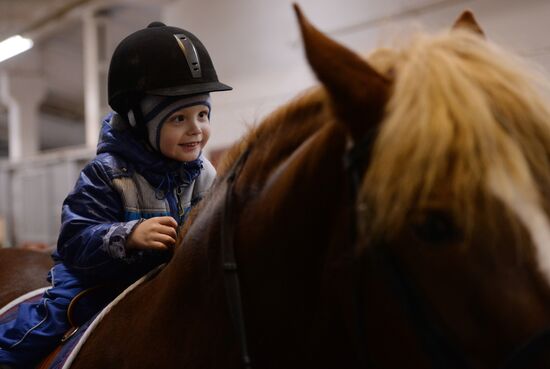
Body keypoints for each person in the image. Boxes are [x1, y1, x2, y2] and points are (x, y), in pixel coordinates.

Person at [0, 21, 231, 369]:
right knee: (54, 317)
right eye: (179, 118)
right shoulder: (108, 173)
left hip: (164, 278)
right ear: (141, 122)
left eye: (202, 114)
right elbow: (74, 239)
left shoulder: (206, 175)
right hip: (97, 278)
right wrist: (129, 235)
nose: (196, 129)